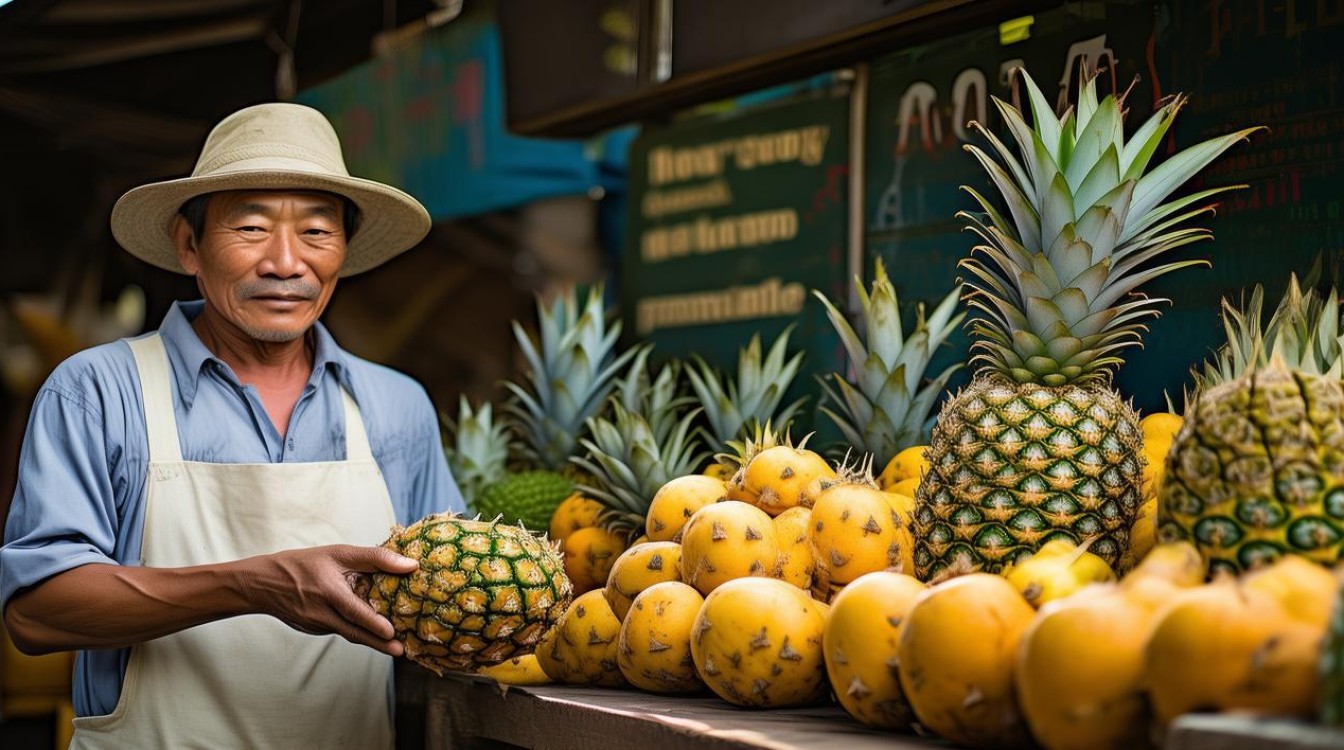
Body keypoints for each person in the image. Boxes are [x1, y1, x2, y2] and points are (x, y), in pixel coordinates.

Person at [0, 102, 465, 749]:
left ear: (345, 250)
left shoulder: (395, 406)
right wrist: (256, 584)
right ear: (189, 245)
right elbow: (36, 612)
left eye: (316, 232)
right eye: (250, 228)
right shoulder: (98, 390)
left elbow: (451, 597)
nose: (285, 262)